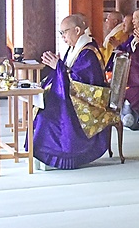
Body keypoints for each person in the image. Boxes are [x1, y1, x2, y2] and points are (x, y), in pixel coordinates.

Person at [32, 15, 110, 169]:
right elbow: (68, 74)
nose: (62, 37)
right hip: (74, 98)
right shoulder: (75, 49)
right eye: (60, 33)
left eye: (64, 32)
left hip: (88, 103)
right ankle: (46, 156)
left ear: (77, 30)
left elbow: (83, 81)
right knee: (45, 107)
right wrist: (56, 69)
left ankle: (61, 157)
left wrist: (58, 66)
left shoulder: (89, 52)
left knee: (49, 116)